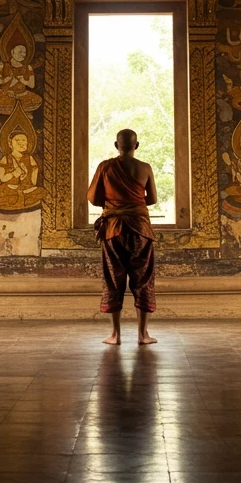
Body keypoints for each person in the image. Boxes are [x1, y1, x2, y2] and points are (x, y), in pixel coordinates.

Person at [87, 129, 158, 345]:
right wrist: (132, 205)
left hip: (113, 230)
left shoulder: (105, 167)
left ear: (115, 145)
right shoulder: (144, 168)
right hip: (140, 230)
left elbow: (92, 197)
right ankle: (143, 335)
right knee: (143, 279)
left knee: (113, 278)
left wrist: (115, 205)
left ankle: (115, 335)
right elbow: (152, 199)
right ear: (136, 146)